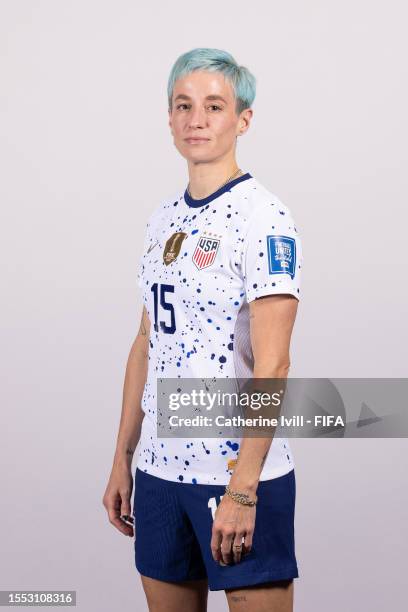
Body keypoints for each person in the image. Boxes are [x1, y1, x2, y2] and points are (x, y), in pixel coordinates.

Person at [103, 47, 303, 612]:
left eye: (214, 106)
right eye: (183, 105)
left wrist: (243, 488)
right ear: (169, 118)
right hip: (160, 474)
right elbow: (147, 343)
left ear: (243, 119)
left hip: (235, 475)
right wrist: (123, 456)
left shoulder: (265, 218)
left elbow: (274, 366)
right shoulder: (161, 219)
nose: (197, 119)